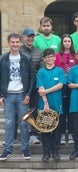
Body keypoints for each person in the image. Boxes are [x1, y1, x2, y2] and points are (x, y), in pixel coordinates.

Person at [0, 33, 34, 161]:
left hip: (21, 95)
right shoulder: (2, 59)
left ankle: (25, 148)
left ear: (20, 43)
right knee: (9, 123)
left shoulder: (26, 58)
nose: (15, 44)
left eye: (17, 42)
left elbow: (32, 77)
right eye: (12, 42)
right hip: (8, 95)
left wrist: (28, 94)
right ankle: (8, 149)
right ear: (8, 43)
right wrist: (0, 95)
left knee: (24, 123)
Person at [36, 48, 66, 161]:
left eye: (52, 56)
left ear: (55, 57)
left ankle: (55, 152)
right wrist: (45, 103)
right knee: (45, 130)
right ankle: (46, 153)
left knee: (57, 131)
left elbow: (60, 85)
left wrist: (46, 91)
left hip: (57, 105)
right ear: (44, 59)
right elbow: (40, 88)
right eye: (47, 57)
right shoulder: (41, 72)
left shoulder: (60, 71)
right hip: (45, 106)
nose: (50, 58)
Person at [20, 28, 43, 145]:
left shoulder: (38, 51)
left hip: (34, 86)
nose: (30, 39)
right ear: (23, 37)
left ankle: (33, 134)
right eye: (28, 36)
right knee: (20, 111)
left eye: (32, 37)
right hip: (20, 86)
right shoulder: (18, 51)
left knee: (34, 110)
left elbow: (41, 67)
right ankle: (18, 135)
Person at [55, 34, 77, 145]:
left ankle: (72, 134)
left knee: (71, 111)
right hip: (61, 87)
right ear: (62, 43)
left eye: (69, 41)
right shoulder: (57, 55)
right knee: (62, 112)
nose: (67, 43)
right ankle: (63, 134)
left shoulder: (75, 55)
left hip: (72, 87)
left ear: (71, 43)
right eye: (65, 41)